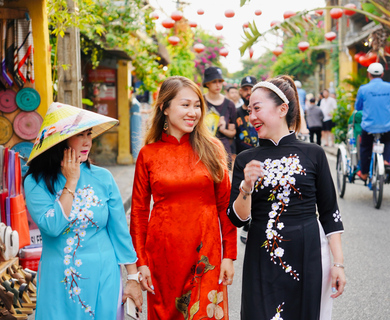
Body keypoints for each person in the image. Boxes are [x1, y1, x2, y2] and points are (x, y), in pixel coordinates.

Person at [227, 76, 346, 319]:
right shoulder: (245, 159)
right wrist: (246, 187)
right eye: (249, 110)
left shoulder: (314, 154)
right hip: (261, 257)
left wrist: (339, 263)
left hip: (308, 254)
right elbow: (238, 219)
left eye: (257, 108)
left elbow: (329, 212)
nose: (251, 117)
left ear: (282, 109)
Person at [130, 76, 237, 320]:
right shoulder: (149, 155)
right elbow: (138, 212)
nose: (193, 112)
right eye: (185, 105)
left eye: (197, 105)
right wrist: (141, 263)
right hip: (163, 257)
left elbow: (225, 206)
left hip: (205, 254)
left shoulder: (212, 148)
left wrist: (228, 255)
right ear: (165, 108)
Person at [24, 103, 142, 319]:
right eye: (79, 135)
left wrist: (133, 278)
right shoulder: (35, 182)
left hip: (103, 275)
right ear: (59, 141)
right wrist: (71, 181)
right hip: (58, 279)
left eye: (89, 134)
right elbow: (52, 227)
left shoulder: (103, 177)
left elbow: (119, 231)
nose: (88, 141)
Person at [354, 62, 390, 181]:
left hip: (369, 126)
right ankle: (385, 160)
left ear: (369, 74)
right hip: (387, 126)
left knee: (365, 147)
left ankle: (364, 173)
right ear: (382, 74)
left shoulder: (363, 89)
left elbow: (358, 107)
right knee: (389, 140)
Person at [235, 76, 259, 244]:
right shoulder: (236, 113)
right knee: (243, 190)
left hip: (260, 155)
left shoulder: (261, 111)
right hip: (241, 157)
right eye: (245, 89)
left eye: (251, 88)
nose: (248, 92)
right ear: (240, 91)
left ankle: (252, 223)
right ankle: (246, 221)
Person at [203, 66, 237, 166]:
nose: (218, 85)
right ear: (207, 83)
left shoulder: (229, 104)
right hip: (204, 150)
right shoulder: (199, 101)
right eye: (214, 81)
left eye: (220, 81)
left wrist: (223, 130)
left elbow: (233, 133)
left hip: (223, 152)